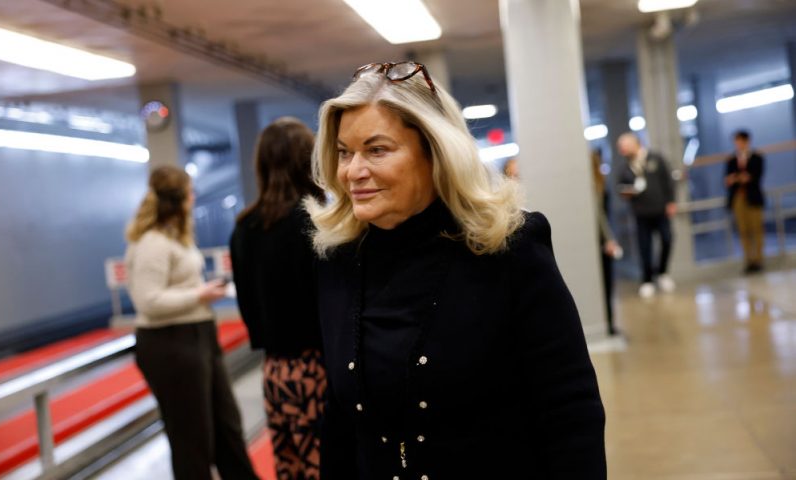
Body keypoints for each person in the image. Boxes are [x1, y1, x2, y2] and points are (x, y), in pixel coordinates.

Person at [306, 61, 606, 479]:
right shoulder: (337, 261)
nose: (353, 171)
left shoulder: (509, 249)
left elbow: (569, 410)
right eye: (344, 152)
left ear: (435, 152)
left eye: (377, 150)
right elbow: (341, 422)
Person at [125, 165, 259, 480]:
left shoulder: (175, 237)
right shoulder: (152, 243)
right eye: (190, 191)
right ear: (180, 198)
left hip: (198, 335)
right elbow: (148, 301)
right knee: (192, 441)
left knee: (228, 428)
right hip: (170, 344)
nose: (194, 196)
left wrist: (199, 294)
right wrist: (200, 294)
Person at [230, 117, 327, 479]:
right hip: (319, 369)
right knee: (324, 462)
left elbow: (247, 308)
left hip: (274, 370)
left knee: (288, 463)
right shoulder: (317, 222)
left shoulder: (245, 227)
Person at [616, 133, 676, 299]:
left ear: (636, 143)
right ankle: (647, 280)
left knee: (667, 239)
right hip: (641, 213)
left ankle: (662, 272)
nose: (623, 150)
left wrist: (671, 202)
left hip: (660, 210)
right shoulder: (625, 167)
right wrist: (628, 192)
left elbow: (667, 181)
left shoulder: (655, 158)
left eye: (625, 146)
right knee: (644, 247)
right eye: (621, 148)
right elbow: (621, 188)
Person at [725, 130, 766, 273]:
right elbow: (728, 179)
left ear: (747, 141)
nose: (738, 144)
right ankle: (748, 261)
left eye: (740, 141)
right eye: (736, 141)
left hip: (753, 198)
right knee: (743, 231)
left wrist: (739, 178)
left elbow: (753, 177)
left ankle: (758, 260)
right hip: (738, 198)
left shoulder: (756, 158)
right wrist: (738, 178)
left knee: (756, 229)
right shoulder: (731, 160)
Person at [592, 149, 621, 335]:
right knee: (604, 284)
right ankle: (607, 323)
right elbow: (600, 216)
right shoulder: (592, 186)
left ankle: (609, 323)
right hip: (599, 241)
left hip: (601, 241)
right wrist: (609, 239)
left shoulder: (598, 183)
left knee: (607, 284)